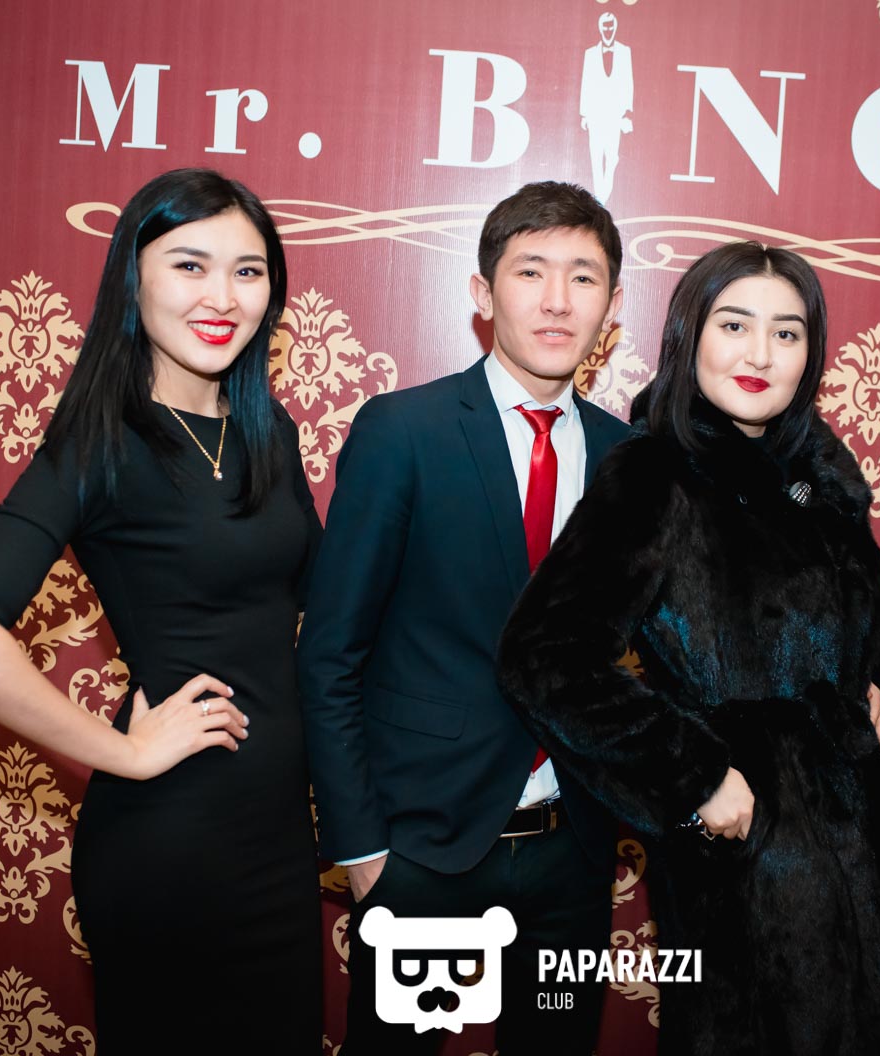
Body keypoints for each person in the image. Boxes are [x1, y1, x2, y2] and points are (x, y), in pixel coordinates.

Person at [497, 242, 880, 1055]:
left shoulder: (826, 481)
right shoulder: (655, 475)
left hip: (857, 837)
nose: (759, 354)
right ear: (689, 335)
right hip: (743, 856)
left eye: (787, 333)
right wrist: (696, 777)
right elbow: (546, 654)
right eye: (734, 325)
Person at [0, 168, 323, 1053]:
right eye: (190, 265)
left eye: (249, 271)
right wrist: (128, 755)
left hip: (279, 841)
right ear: (132, 277)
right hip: (172, 846)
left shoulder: (269, 432)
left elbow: (315, 615)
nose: (223, 297)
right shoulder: (99, 443)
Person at [296, 181, 631, 1054]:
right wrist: (364, 854)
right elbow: (331, 653)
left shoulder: (629, 461)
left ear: (611, 306)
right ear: (484, 293)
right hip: (422, 852)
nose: (557, 299)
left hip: (572, 854)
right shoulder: (403, 432)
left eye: (583, 277)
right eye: (531, 271)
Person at [579, 11, 634, 203]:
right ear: (600, 28)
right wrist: (584, 114)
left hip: (614, 114)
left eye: (611, 27)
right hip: (595, 114)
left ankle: (602, 199)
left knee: (611, 157)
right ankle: (600, 199)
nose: (608, 30)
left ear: (615, 28)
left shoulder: (625, 51)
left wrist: (627, 112)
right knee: (596, 157)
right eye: (605, 27)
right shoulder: (590, 53)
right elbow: (586, 83)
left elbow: (628, 82)